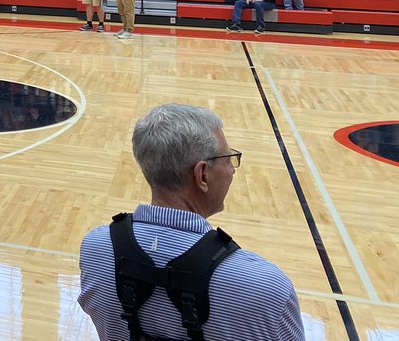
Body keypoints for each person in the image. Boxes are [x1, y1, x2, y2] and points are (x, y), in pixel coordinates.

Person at [78, 104, 302, 340]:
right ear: (202, 174)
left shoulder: (95, 250)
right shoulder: (268, 289)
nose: (232, 170)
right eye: (228, 159)